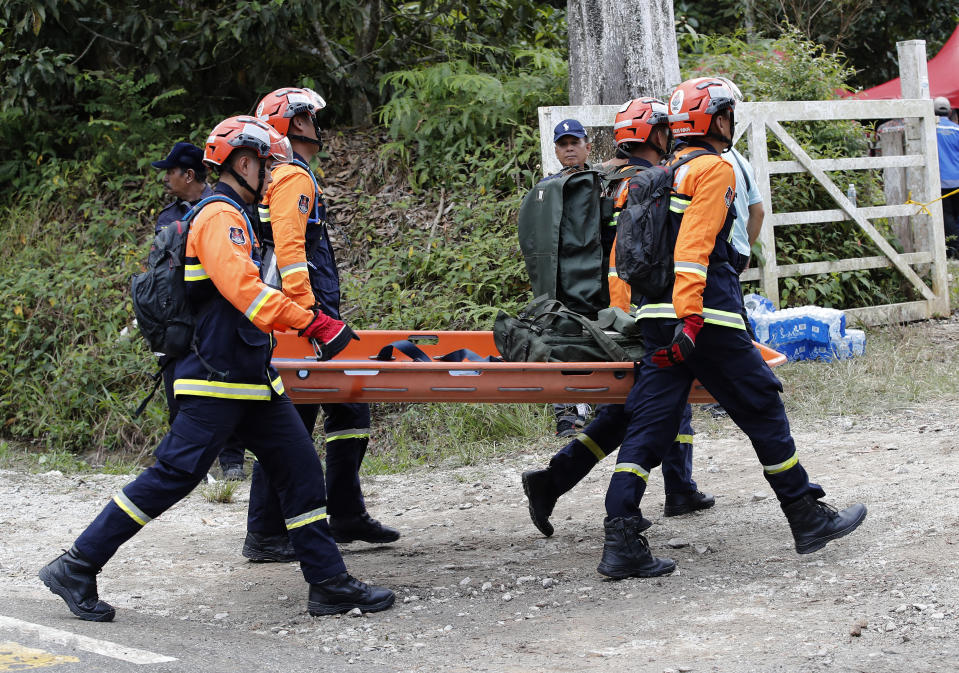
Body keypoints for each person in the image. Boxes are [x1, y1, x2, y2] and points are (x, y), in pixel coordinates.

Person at [38, 115, 394, 621]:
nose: (274, 179)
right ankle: (77, 564)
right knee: (172, 477)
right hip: (215, 379)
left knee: (300, 471)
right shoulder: (219, 218)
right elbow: (247, 294)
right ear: (243, 163)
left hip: (251, 379)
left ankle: (329, 583)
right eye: (269, 167)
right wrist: (313, 323)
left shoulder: (239, 217)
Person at [596, 77, 867, 580]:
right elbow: (695, 247)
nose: (732, 122)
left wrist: (633, 319)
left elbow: (621, 261)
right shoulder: (712, 169)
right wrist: (693, 319)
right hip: (707, 321)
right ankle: (806, 517)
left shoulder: (644, 178)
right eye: (729, 115)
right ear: (717, 120)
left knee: (650, 424)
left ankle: (622, 539)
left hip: (655, 321)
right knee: (762, 405)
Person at [522, 100, 713, 539]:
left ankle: (556, 479)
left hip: (614, 306)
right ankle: (638, 503)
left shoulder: (605, 183)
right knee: (657, 404)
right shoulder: (649, 182)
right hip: (643, 309)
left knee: (630, 408)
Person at [239, 87, 398, 564]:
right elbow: (290, 253)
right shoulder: (292, 178)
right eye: (307, 115)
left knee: (350, 409)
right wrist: (311, 320)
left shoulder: (293, 176)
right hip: (302, 317)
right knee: (292, 422)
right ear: (291, 124)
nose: (314, 122)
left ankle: (345, 512)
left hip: (308, 313)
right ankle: (266, 534)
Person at [151, 142, 247, 481]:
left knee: (225, 380)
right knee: (177, 387)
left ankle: (232, 461)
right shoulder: (167, 217)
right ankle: (183, 466)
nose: (165, 178)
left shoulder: (223, 209)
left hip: (215, 315)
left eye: (170, 172)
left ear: (188, 174)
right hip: (177, 318)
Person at [537, 118, 594, 437]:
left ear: (587, 145)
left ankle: (603, 409)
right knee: (559, 344)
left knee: (600, 343)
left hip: (596, 280)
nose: (569, 148)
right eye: (563, 143)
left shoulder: (603, 182)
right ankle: (567, 416)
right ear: (556, 150)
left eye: (575, 142)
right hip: (561, 282)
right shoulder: (547, 189)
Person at [934, 96, 959, 258]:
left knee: (947, 216)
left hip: (940, 182)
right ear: (950, 112)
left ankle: (954, 248)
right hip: (958, 180)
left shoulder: (930, 130)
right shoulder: (957, 130)